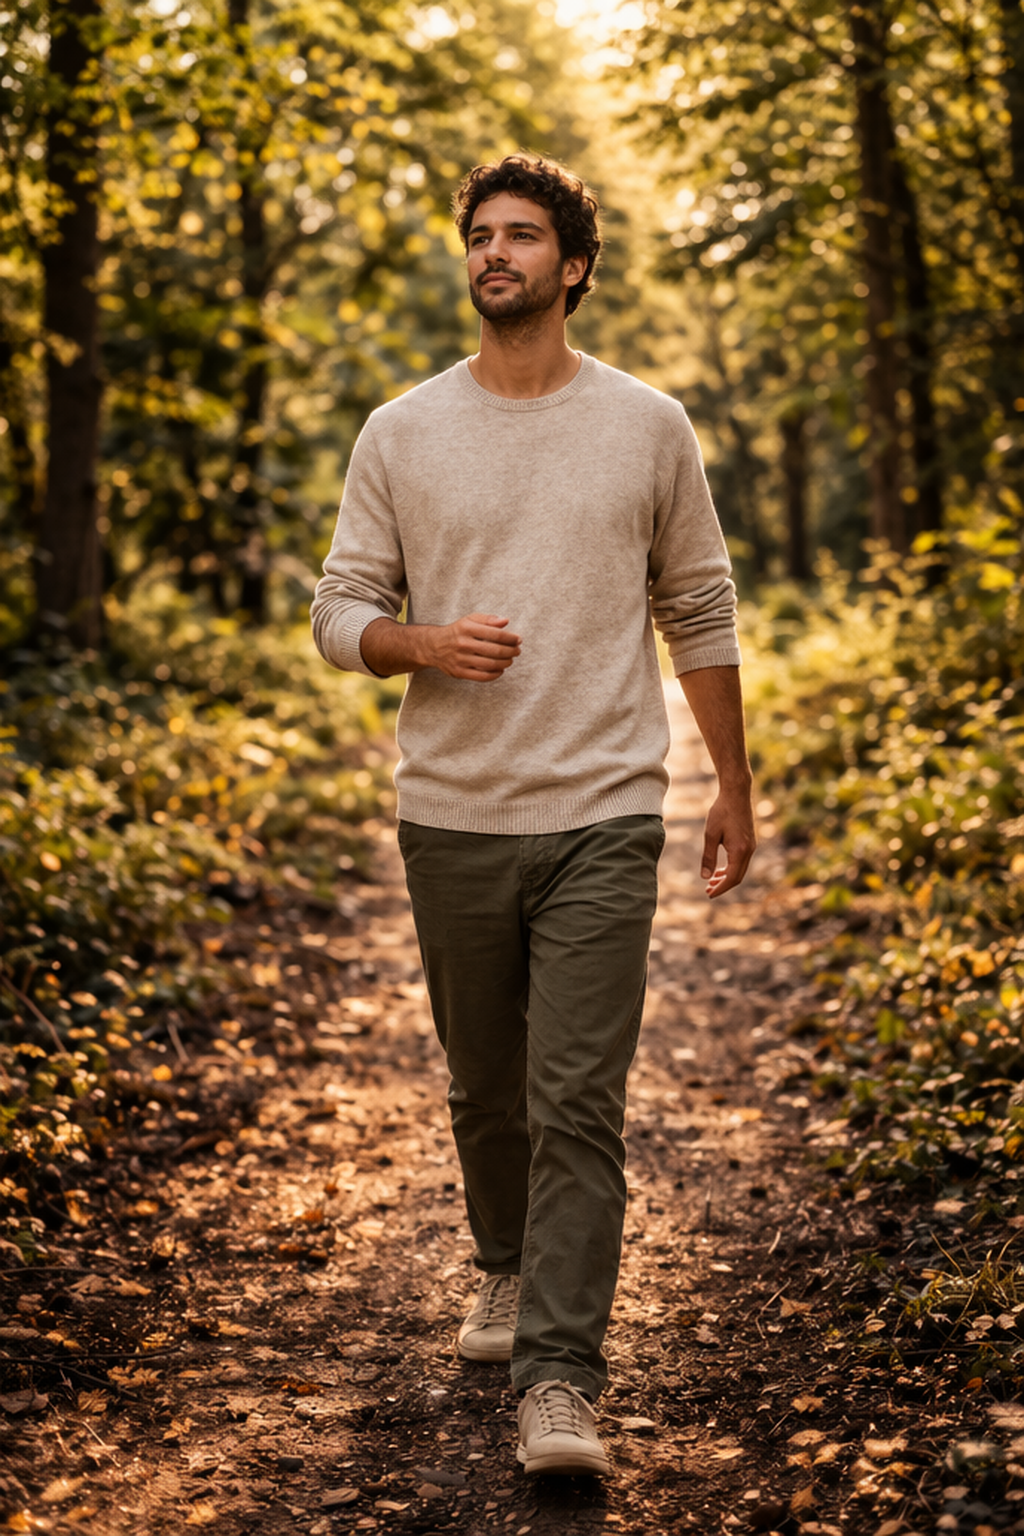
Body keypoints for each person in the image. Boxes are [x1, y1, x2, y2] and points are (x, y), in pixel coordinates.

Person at [310, 152, 756, 1477]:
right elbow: (338, 609)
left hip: (605, 808)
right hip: (452, 813)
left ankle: (561, 1381)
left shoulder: (648, 425)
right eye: (479, 236)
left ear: (575, 264)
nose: (493, 253)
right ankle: (504, 1263)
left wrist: (733, 784)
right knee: (486, 1088)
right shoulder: (400, 431)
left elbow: (700, 605)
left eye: (520, 235)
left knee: (577, 1100)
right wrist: (421, 643)